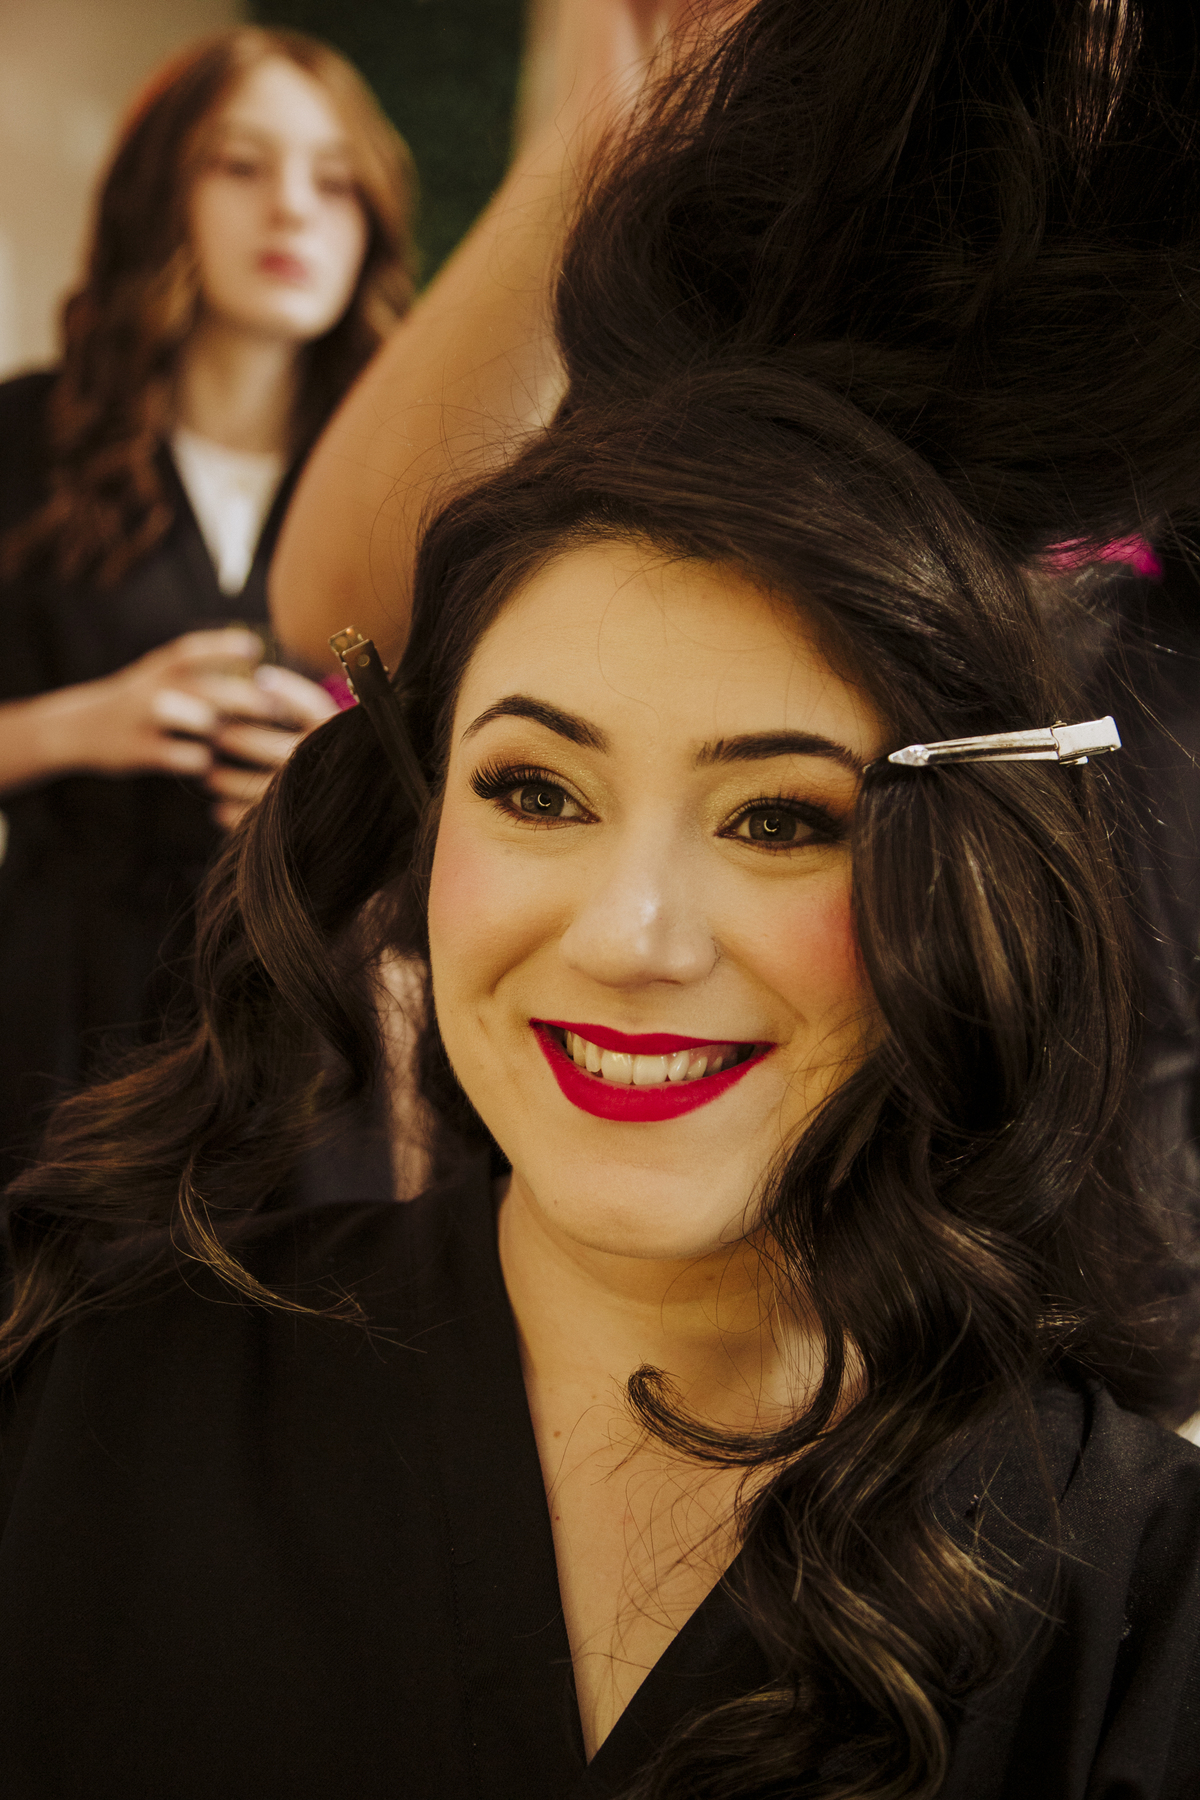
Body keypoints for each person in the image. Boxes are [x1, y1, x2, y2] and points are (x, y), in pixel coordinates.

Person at [3, 3, 1200, 1797]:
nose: (629, 937)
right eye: (536, 791)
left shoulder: (1134, 1594)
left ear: (975, 868)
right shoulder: (88, 1404)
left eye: (782, 819)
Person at [0, 26, 416, 1185]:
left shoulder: (406, 485)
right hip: (56, 1023)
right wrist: (81, 725)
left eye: (335, 181)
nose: (292, 209)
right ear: (159, 195)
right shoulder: (20, 441)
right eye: (241, 165)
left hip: (306, 1040)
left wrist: (342, 780)